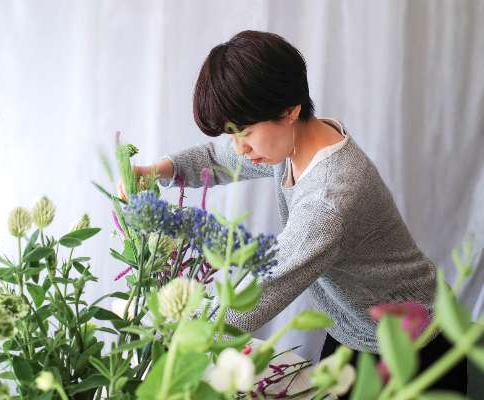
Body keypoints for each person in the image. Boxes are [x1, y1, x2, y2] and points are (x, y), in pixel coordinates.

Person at [118, 30, 466, 394]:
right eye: (232, 133)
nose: (239, 148)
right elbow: (216, 159)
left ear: (289, 110)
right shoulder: (296, 141)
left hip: (412, 347)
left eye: (245, 131)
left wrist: (169, 327)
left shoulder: (329, 200)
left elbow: (256, 296)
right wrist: (158, 170)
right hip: (354, 329)